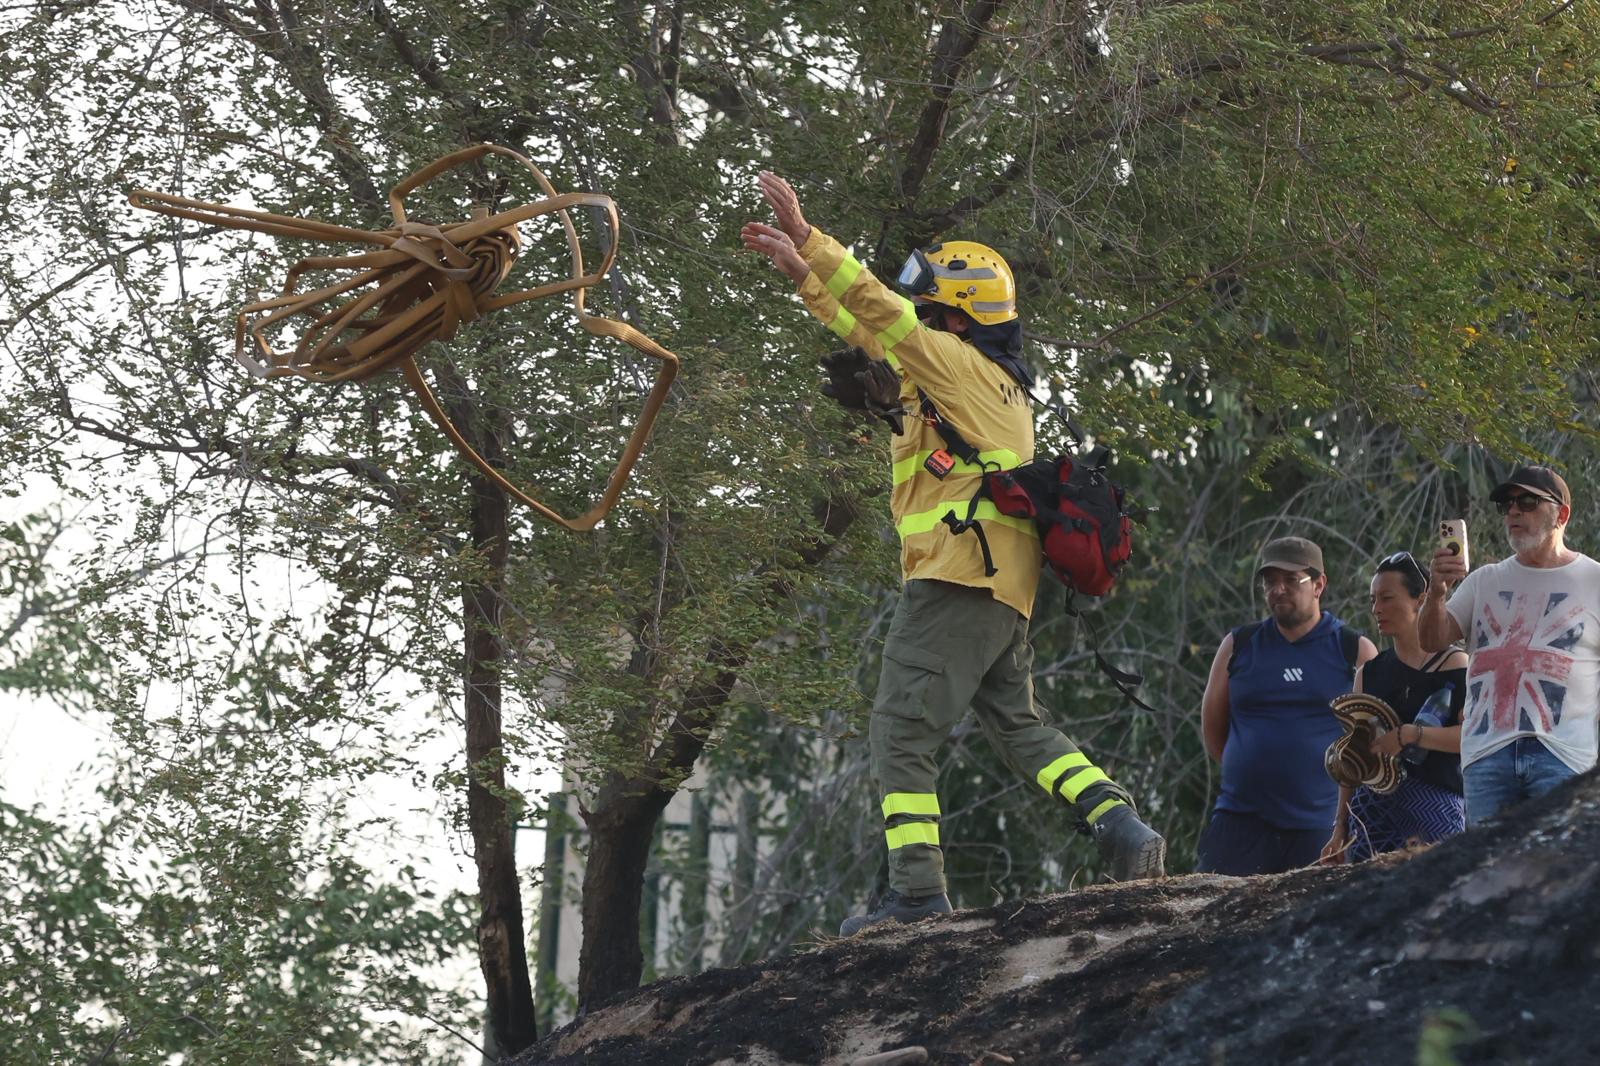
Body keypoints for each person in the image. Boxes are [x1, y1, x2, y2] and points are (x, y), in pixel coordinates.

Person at [740, 172, 1166, 936]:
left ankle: (916, 895)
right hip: (1002, 588)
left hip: (954, 579)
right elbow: (875, 332)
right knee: (1021, 726)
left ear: (959, 315)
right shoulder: (990, 379)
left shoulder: (954, 363)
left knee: (900, 733)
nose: (926, 321)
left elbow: (884, 312)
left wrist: (809, 237)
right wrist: (807, 280)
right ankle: (1123, 827)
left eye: (937, 309)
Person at [1420, 465, 1600, 825]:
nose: (1514, 511)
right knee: (1484, 874)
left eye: (1528, 501)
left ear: (1561, 515)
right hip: (1487, 754)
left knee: (1553, 872)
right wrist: (1437, 592)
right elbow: (1431, 640)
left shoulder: (1594, 580)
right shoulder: (1484, 580)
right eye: (1507, 504)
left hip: (1564, 756)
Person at [1197, 536, 1377, 874]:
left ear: (1319, 584)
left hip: (1320, 826)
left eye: (1291, 580)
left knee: (1315, 922)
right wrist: (1251, 765)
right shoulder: (1239, 645)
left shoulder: (1354, 650)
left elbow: (1372, 742)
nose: (1278, 589)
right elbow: (1212, 727)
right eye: (1270, 581)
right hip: (1240, 821)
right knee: (1213, 917)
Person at [1321, 552, 1467, 864]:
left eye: (1387, 598)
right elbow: (1354, 756)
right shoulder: (1369, 672)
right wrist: (1340, 827)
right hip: (1371, 811)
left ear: (1421, 598)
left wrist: (1410, 735)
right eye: (1373, 600)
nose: (1377, 609)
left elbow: (1472, 737)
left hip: (1435, 806)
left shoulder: (1455, 664)